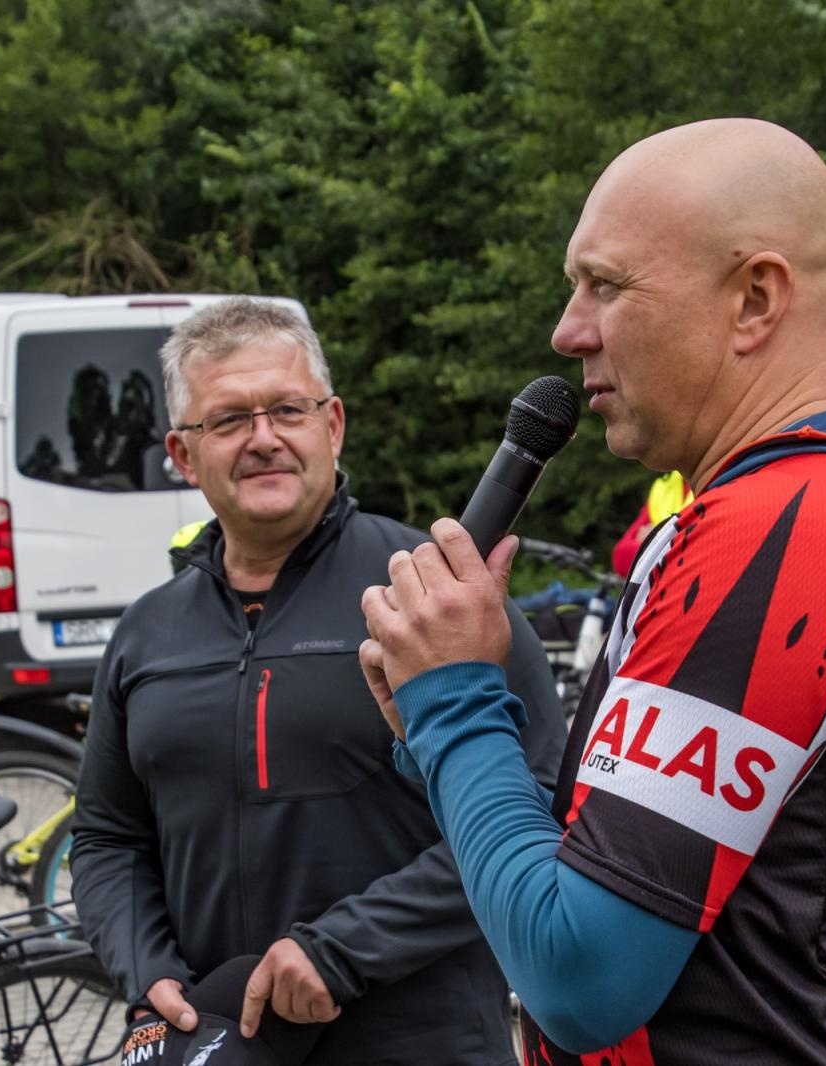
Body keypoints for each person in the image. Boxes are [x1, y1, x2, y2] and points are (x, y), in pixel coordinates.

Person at [358, 118, 826, 1064]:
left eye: (606, 285)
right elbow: (615, 865)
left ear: (755, 299)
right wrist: (441, 730)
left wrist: (459, 711)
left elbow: (580, 976)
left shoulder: (788, 535)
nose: (568, 331)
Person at [69, 297, 566, 1064]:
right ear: (181, 453)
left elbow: (536, 802)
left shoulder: (434, 598)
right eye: (228, 420)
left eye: (287, 410)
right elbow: (107, 837)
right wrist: (147, 967)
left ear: (332, 425)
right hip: (218, 1039)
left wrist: (344, 949)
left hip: (419, 1038)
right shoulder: (145, 633)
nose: (263, 438)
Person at [609, 470, 691, 578]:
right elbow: (621, 558)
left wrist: (652, 539)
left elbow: (693, 558)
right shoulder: (665, 484)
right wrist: (673, 546)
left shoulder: (714, 484)